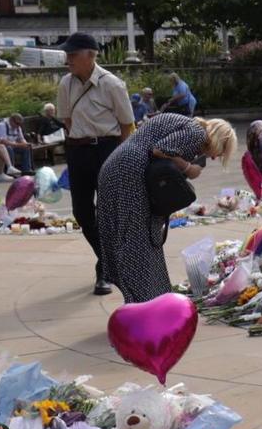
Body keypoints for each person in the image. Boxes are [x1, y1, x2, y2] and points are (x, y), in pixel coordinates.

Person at [97, 115, 236, 303]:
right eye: (219, 153)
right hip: (128, 172)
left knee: (132, 236)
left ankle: (144, 299)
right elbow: (160, 150)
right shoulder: (196, 132)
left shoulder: (189, 127)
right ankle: (144, 302)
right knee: (138, 238)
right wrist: (188, 168)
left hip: (120, 168)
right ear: (220, 139)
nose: (213, 157)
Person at [54, 33, 138, 296]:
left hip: (107, 149)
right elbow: (66, 119)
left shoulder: (112, 84)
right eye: (67, 55)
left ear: (90, 55)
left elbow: (127, 125)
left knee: (107, 212)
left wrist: (125, 159)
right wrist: (82, 137)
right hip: (78, 149)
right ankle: (107, 259)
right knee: (81, 212)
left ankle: (104, 269)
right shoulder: (65, 84)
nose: (68, 60)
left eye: (73, 55)